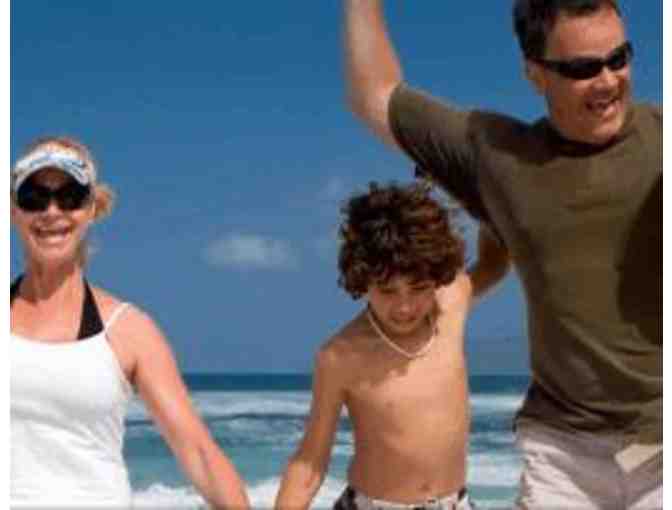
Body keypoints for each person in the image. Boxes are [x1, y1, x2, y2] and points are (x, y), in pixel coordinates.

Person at [343, 1, 661, 508]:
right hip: (562, 453)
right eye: (582, 68)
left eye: (618, 59)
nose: (607, 81)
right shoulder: (499, 156)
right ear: (535, 74)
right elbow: (373, 95)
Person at [10, 136, 250, 509]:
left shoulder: (129, 330)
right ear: (13, 210)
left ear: (92, 209)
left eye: (70, 197)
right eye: (34, 198)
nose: (52, 211)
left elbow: (199, 453)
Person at [274, 182, 509, 510]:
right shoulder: (340, 356)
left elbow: (495, 263)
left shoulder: (450, 305)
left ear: (438, 276)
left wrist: (477, 189)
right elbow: (310, 462)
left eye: (419, 288)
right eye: (387, 291)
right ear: (362, 280)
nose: (404, 307)